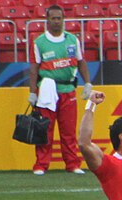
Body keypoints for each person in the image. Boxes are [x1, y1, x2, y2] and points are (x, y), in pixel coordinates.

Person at [27, 5, 92, 176]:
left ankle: (72, 164)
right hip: (47, 90)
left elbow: (81, 62)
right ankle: (41, 164)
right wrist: (33, 92)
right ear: (47, 20)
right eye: (53, 18)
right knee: (45, 129)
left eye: (59, 18)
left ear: (64, 19)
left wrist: (87, 83)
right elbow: (34, 68)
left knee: (68, 131)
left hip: (68, 89)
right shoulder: (39, 42)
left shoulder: (72, 40)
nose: (56, 21)